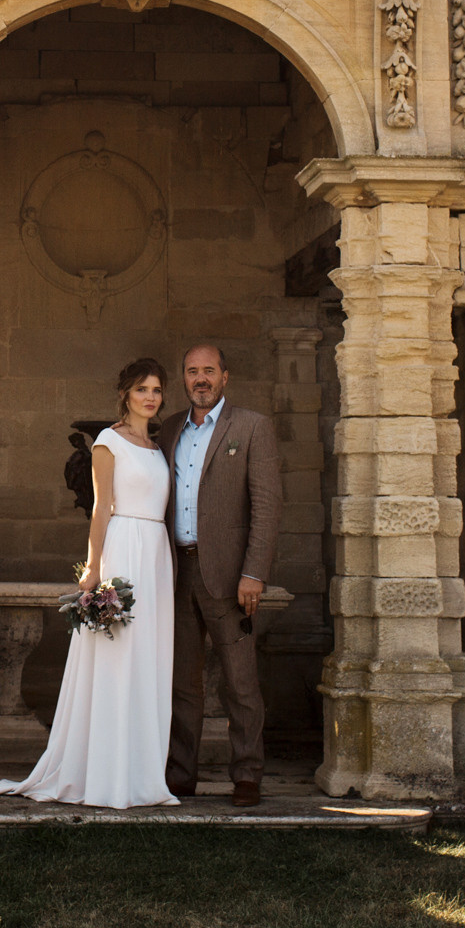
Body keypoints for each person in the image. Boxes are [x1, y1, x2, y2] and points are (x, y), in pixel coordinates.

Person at [0, 357, 177, 809]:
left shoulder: (157, 446)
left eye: (157, 390)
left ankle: (143, 774)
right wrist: (93, 568)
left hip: (157, 554)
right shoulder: (108, 441)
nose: (150, 397)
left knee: (148, 660)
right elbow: (101, 506)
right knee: (116, 658)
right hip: (124, 549)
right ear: (125, 393)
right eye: (142, 388)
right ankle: (105, 774)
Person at [159, 342, 281, 807]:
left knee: (240, 682)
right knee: (181, 684)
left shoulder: (251, 427)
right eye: (192, 371)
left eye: (209, 370)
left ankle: (247, 775)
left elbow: (267, 507)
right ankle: (180, 776)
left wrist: (254, 573)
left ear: (225, 377)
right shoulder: (169, 428)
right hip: (177, 571)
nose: (200, 379)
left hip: (231, 577)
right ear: (184, 378)